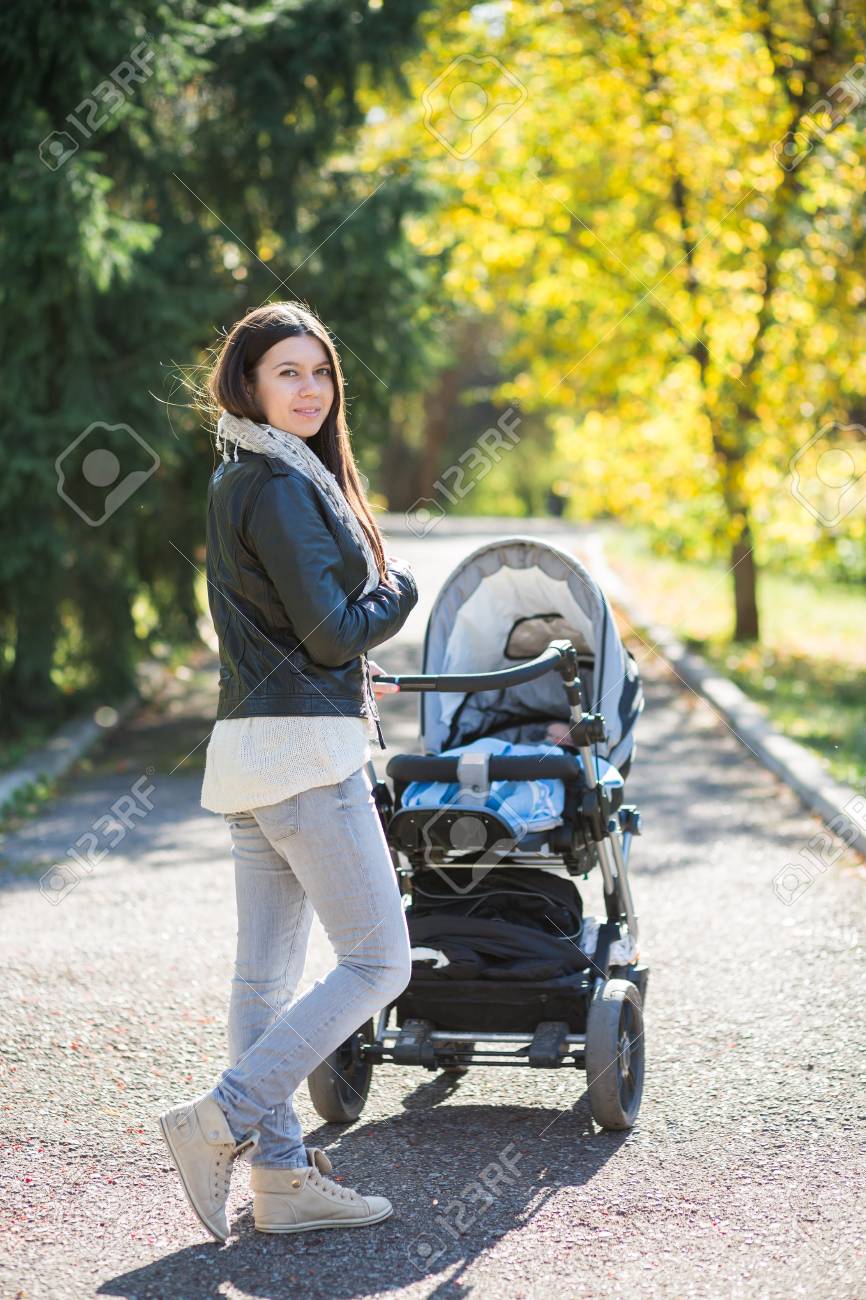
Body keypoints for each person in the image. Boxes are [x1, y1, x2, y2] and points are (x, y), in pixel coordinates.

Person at [158, 301, 418, 1243]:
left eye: (320, 372)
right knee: (380, 962)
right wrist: (401, 589)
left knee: (263, 985)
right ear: (249, 384)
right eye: (288, 373)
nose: (310, 390)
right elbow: (333, 630)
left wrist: (347, 676)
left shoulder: (244, 474)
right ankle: (222, 1119)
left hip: (254, 750)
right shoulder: (278, 484)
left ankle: (278, 1179)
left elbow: (284, 635)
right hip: (304, 759)